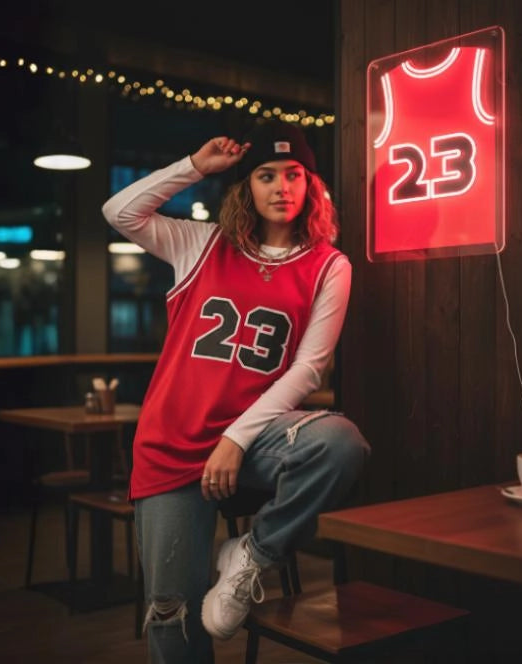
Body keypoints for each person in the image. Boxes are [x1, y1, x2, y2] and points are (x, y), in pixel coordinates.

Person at [103, 120, 369, 663]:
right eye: (265, 176)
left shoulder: (328, 266)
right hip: (173, 445)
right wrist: (195, 167)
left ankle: (251, 553)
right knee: (171, 615)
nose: (281, 187)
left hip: (256, 441)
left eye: (294, 174)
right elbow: (119, 211)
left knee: (341, 443)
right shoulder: (200, 246)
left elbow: (308, 371)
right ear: (246, 187)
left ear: (311, 185)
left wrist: (236, 438)